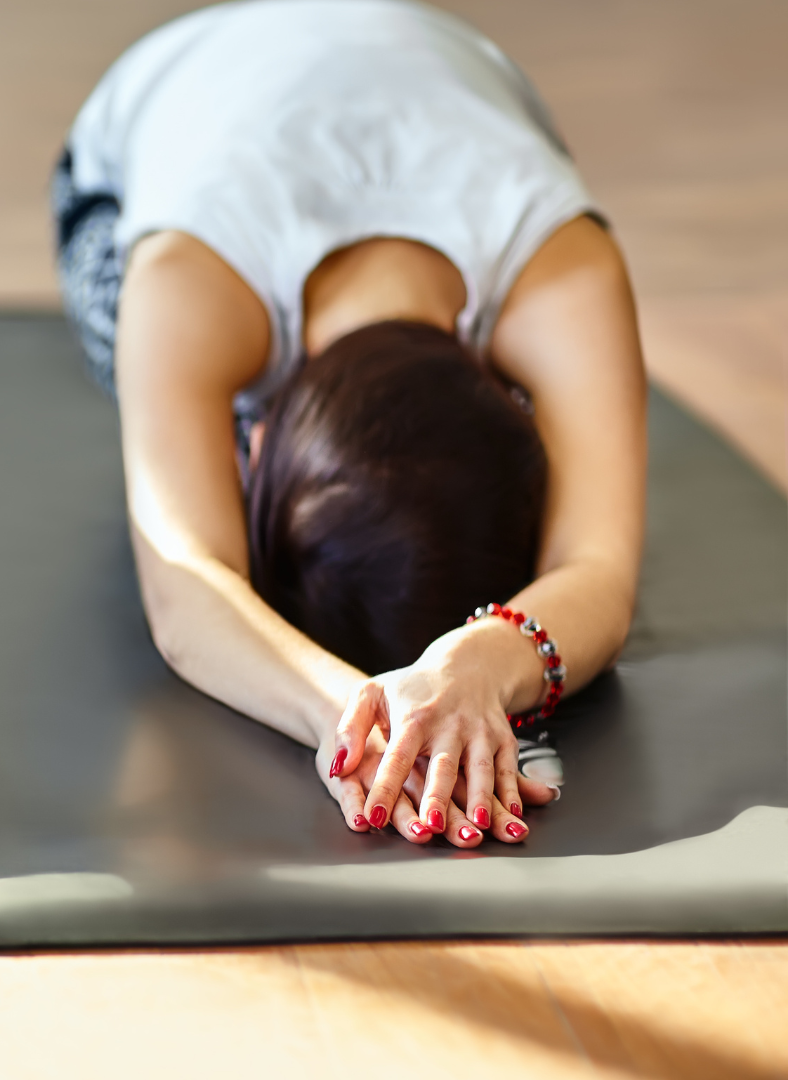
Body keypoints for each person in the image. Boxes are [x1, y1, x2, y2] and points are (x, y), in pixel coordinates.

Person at [54, 0, 645, 847]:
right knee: (142, 357)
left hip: (435, 62)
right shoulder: (187, 275)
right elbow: (184, 582)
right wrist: (352, 719)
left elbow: (598, 565)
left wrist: (472, 665)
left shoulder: (565, 270)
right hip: (164, 90)